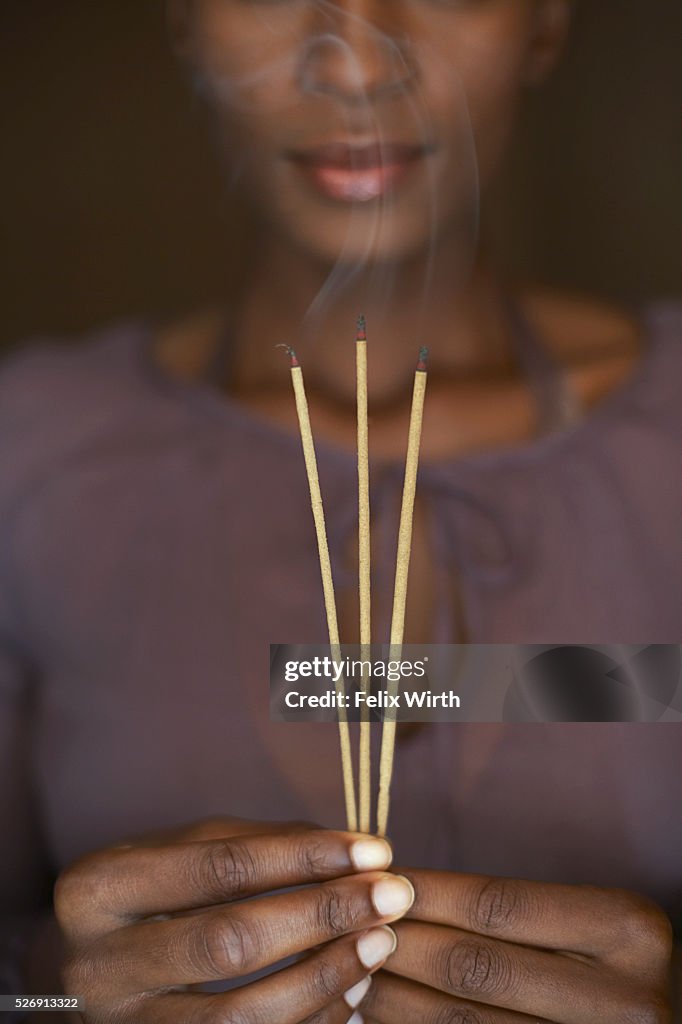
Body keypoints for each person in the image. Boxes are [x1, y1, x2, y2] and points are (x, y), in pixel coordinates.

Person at [1, 1, 680, 1020]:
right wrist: (47, 995)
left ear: (545, 22)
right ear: (184, 21)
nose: (355, 61)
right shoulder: (32, 447)